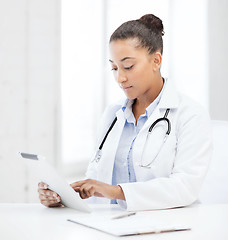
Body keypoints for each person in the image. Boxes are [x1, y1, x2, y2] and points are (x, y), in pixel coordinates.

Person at [38, 14, 213, 211]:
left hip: (167, 225)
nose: (120, 78)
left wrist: (116, 191)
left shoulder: (190, 115)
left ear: (156, 61)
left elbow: (185, 187)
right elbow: (96, 179)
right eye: (114, 67)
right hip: (112, 224)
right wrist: (66, 196)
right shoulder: (113, 114)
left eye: (128, 66)